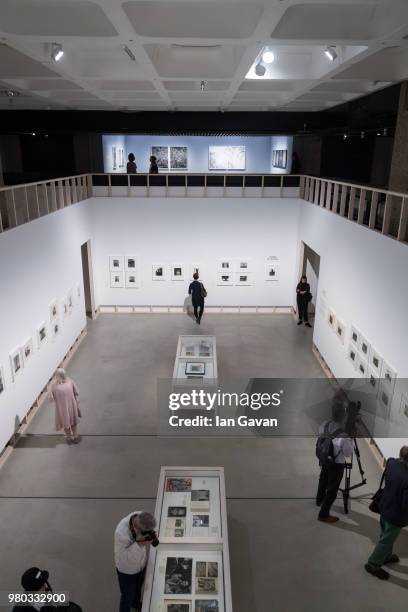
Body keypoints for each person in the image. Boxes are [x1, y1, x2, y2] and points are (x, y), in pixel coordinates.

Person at [365, 446, 408, 580]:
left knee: (385, 533)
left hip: (384, 504)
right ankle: (372, 564)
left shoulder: (391, 462)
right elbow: (406, 505)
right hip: (395, 515)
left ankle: (386, 556)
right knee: (386, 540)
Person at [316, 402, 353, 523]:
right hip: (336, 465)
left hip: (324, 458)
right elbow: (348, 454)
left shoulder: (324, 424)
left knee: (323, 478)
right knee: (332, 489)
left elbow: (320, 438)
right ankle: (324, 514)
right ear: (344, 417)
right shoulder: (344, 436)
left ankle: (319, 500)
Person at [115, 511, 157, 612]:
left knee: (138, 589)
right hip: (127, 572)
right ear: (137, 529)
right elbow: (124, 558)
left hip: (140, 565)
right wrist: (140, 544)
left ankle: (136, 604)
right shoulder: (121, 533)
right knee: (127, 597)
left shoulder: (140, 515)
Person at [50, 368, 81, 445]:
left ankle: (69, 438)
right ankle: (76, 437)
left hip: (61, 409)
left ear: (56, 376)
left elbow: (51, 399)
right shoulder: (70, 382)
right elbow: (77, 392)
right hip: (72, 406)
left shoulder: (54, 387)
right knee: (73, 422)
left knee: (65, 423)